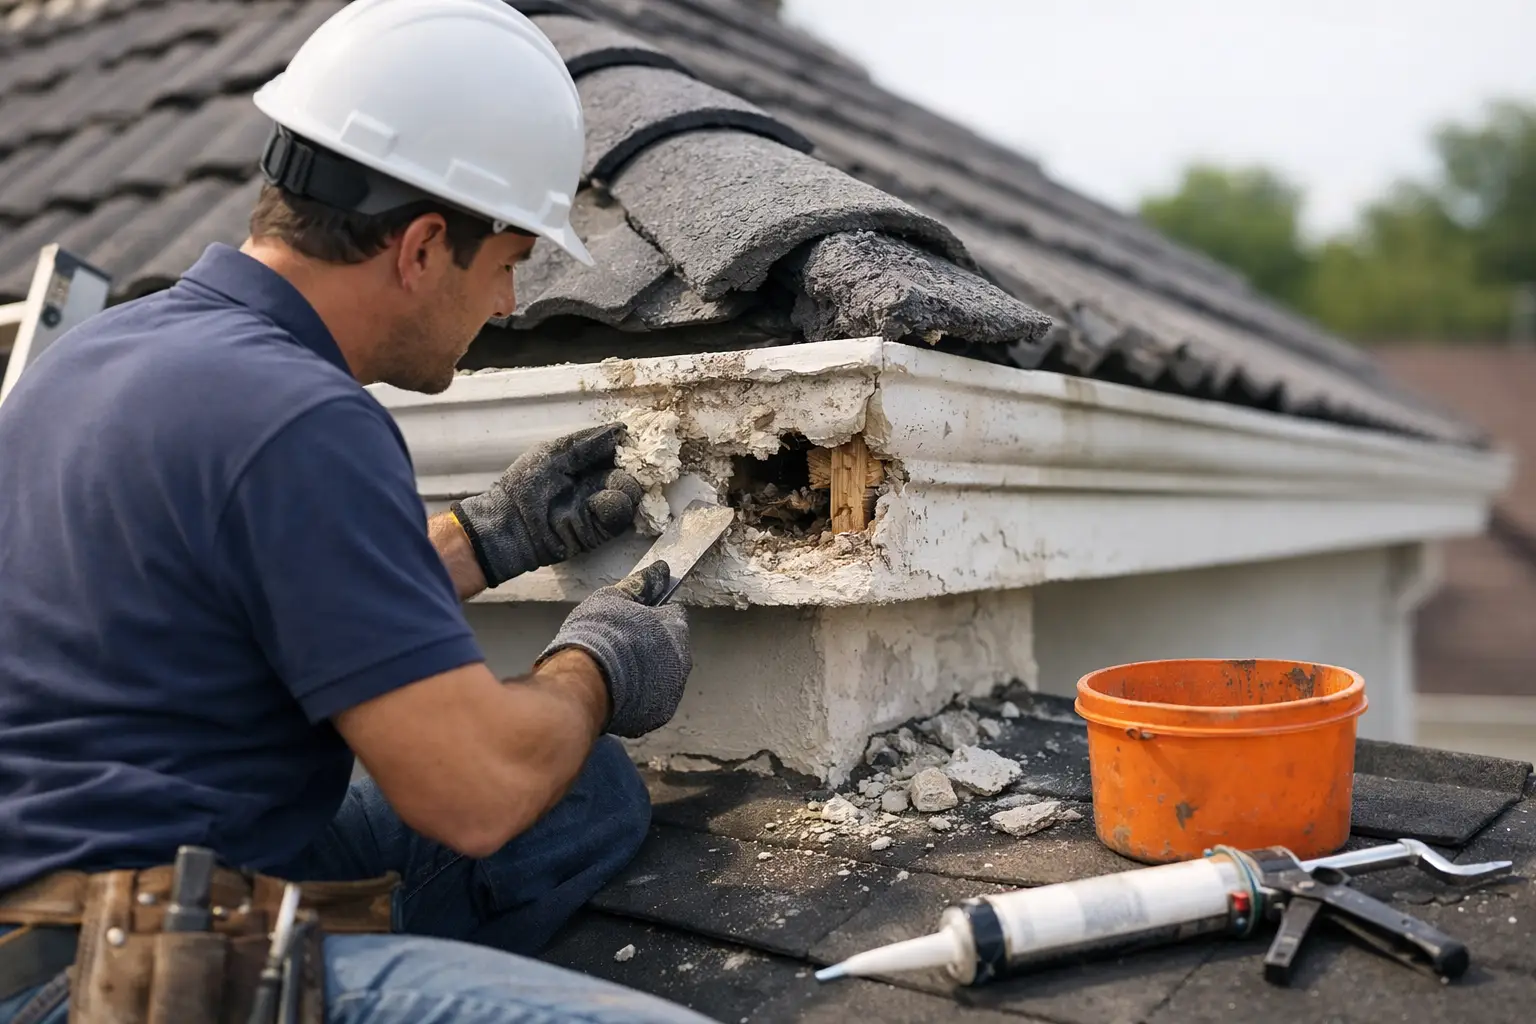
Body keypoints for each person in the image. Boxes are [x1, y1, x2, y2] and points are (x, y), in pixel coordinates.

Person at [0, 0, 712, 1021]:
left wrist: (485, 541)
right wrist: (595, 665)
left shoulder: (102, 354)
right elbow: (471, 795)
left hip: (83, 895)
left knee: (583, 795)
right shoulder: (301, 418)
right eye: (508, 263)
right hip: (105, 982)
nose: (508, 304)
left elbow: (227, 599)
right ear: (424, 246)